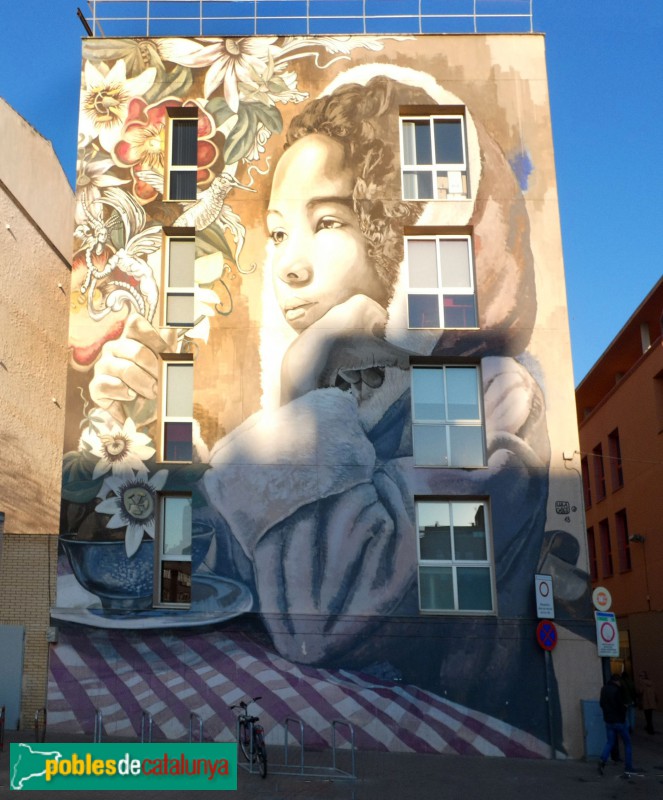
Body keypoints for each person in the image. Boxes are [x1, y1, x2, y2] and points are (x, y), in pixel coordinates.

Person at [85, 71, 560, 739]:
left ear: (403, 232)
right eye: (277, 233)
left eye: (327, 221)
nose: (289, 266)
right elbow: (170, 577)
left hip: (440, 757)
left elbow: (326, 616)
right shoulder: (332, 401)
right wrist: (129, 439)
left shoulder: (490, 401)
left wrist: (305, 393)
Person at [598, 674, 643, 776]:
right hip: (618, 720)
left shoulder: (604, 689)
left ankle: (602, 760)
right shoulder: (617, 691)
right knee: (627, 743)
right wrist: (624, 709)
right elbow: (620, 706)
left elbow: (601, 704)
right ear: (617, 681)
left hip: (608, 720)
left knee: (609, 742)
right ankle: (628, 767)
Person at [637, 670, 657, 734]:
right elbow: (654, 691)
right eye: (639, 675)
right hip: (651, 702)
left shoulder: (641, 682)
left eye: (641, 675)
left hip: (646, 702)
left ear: (644, 676)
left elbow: (640, 691)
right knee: (650, 716)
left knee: (647, 717)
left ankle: (650, 730)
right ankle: (648, 727)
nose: (640, 677)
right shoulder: (650, 681)